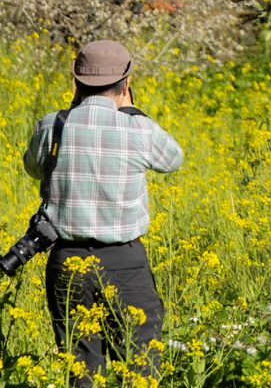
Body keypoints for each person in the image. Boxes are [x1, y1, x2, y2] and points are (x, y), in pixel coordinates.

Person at [22, 40, 184, 387]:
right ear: (125, 85)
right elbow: (173, 160)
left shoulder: (53, 125)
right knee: (139, 365)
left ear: (76, 83)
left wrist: (71, 113)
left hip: (66, 261)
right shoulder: (138, 128)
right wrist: (132, 111)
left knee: (81, 368)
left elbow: (33, 168)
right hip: (124, 263)